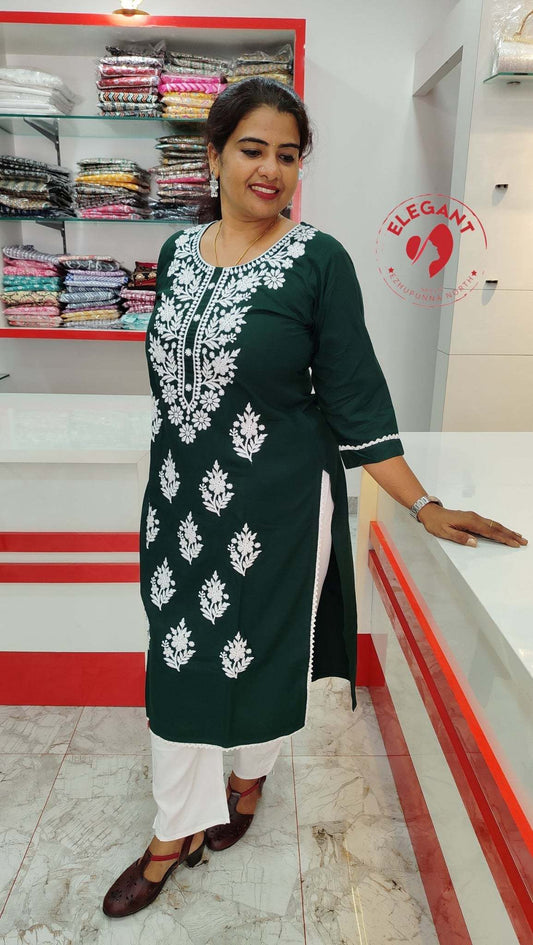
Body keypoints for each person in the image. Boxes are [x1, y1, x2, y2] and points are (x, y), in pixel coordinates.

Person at [102, 78, 527, 919]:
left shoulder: (319, 260)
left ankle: (245, 781)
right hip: (182, 504)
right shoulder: (178, 256)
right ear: (214, 153)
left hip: (281, 508)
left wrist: (421, 501)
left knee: (262, 653)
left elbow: (354, 397)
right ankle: (179, 822)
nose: (270, 169)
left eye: (288, 155)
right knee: (178, 658)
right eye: (252, 149)